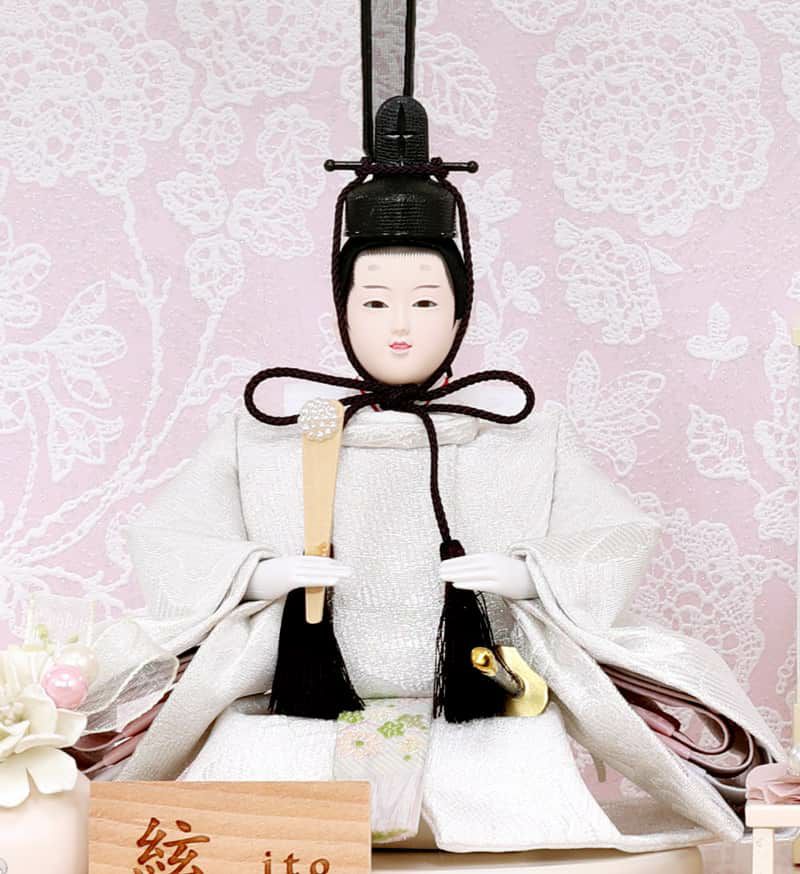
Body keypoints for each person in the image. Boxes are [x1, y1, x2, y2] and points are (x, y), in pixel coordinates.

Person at [84, 0, 781, 853]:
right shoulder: (270, 433)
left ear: (460, 313)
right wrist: (258, 574)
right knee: (242, 757)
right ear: (343, 310)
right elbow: (171, 538)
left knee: (518, 758)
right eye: (375, 302)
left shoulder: (520, 433)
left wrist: (529, 575)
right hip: (296, 706)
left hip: (477, 705)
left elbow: (612, 534)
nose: (399, 326)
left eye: (424, 302)